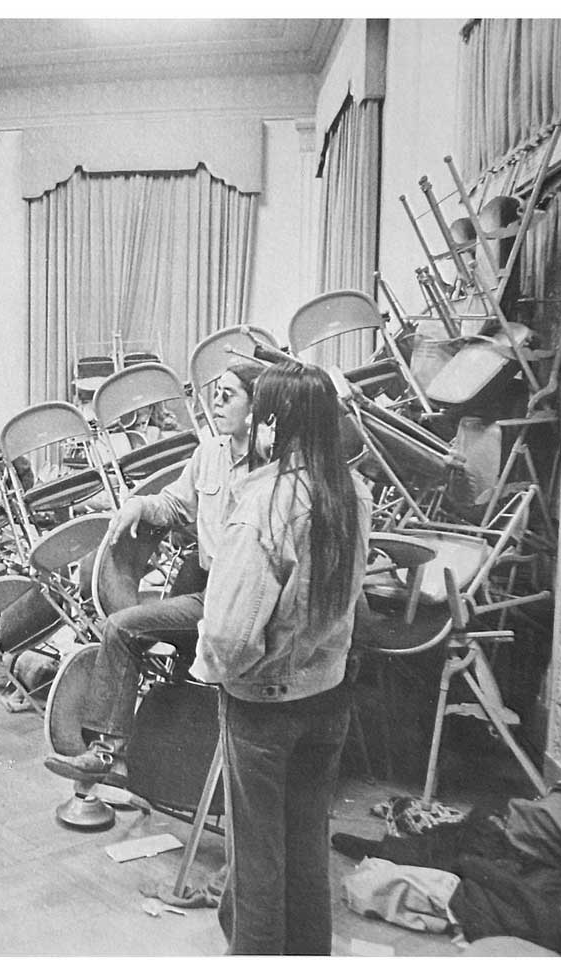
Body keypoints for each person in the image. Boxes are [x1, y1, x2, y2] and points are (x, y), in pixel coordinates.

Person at [194, 361, 371, 955]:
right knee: (306, 849)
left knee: (258, 861)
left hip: (265, 706)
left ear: (274, 423)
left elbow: (228, 631)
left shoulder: (267, 500)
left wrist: (215, 670)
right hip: (329, 696)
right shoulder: (352, 493)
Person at [44, 362, 264, 782]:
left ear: (257, 408)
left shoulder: (273, 466)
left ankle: (120, 755)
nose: (216, 400)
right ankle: (107, 753)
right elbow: (176, 504)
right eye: (216, 391)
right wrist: (138, 505)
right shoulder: (209, 454)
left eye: (229, 394)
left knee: (129, 630)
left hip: (247, 602)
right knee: (122, 628)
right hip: (210, 592)